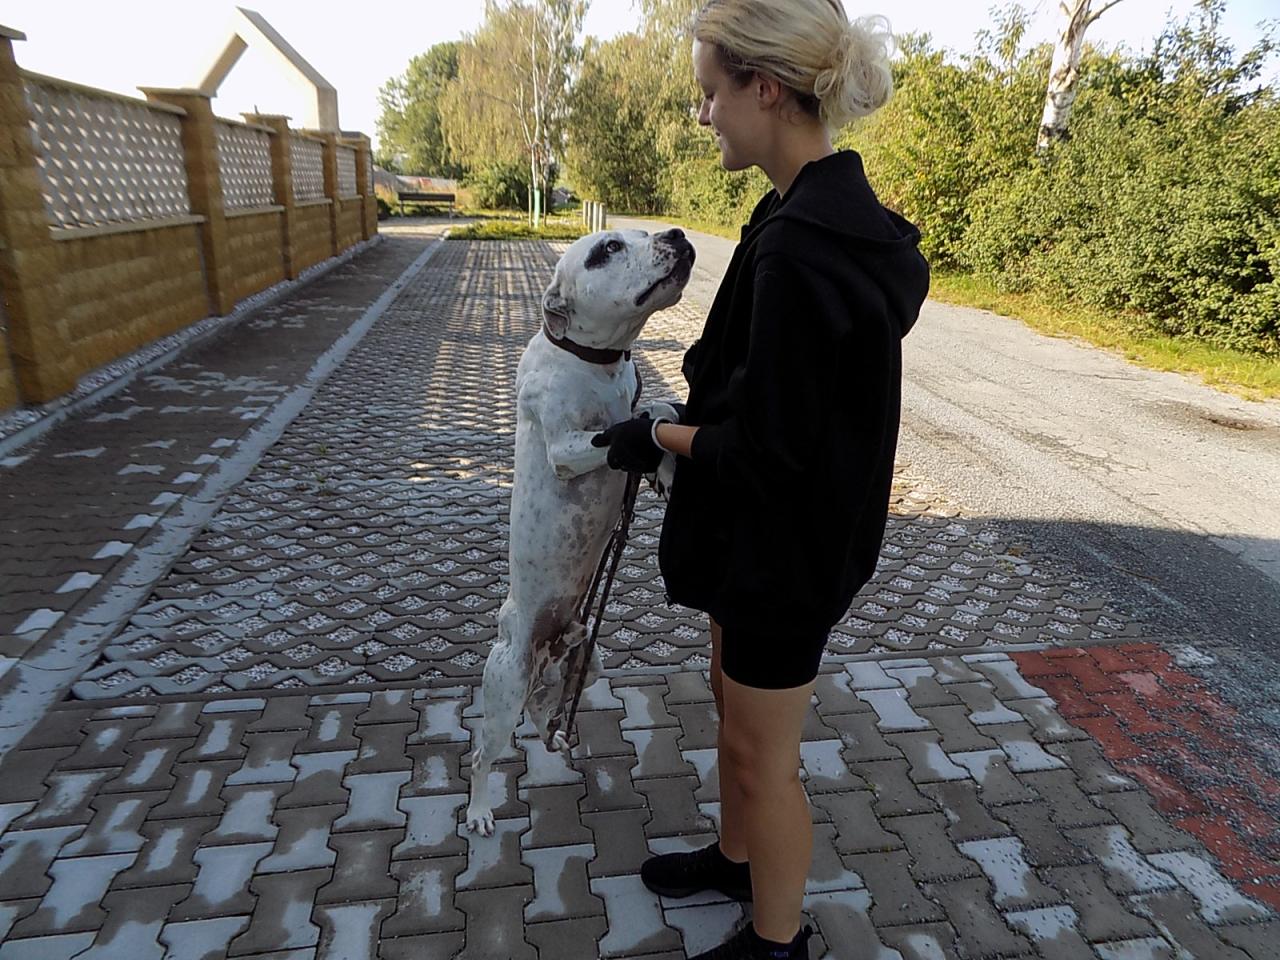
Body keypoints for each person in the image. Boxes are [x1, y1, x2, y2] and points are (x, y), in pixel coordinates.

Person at [591, 0, 930, 957]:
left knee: (761, 755)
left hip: (790, 549)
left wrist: (659, 434)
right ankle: (737, 860)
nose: (702, 114)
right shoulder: (797, 209)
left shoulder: (805, 245)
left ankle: (779, 942)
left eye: (711, 93)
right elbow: (763, 391)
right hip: (760, 538)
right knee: (731, 703)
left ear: (766, 88)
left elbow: (771, 451)